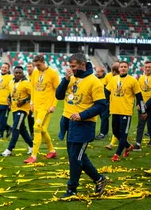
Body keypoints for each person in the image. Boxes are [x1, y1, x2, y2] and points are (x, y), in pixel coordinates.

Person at [55, 53, 108, 198]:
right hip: (69, 123)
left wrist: (82, 115)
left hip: (84, 125)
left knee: (76, 159)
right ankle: (99, 179)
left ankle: (72, 189)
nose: (70, 69)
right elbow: (59, 96)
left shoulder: (94, 82)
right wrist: (65, 80)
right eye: (69, 66)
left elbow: (101, 106)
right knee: (76, 156)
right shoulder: (71, 78)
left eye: (73, 66)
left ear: (83, 64)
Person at [105, 61, 147, 162]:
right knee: (115, 132)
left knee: (123, 134)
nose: (123, 68)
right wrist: (105, 104)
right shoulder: (114, 79)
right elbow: (106, 92)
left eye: (125, 67)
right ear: (118, 69)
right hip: (114, 110)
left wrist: (143, 110)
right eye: (121, 67)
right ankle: (128, 146)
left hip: (126, 112)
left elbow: (139, 97)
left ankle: (117, 154)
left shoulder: (133, 81)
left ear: (128, 68)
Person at [23, 55, 59, 163]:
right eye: (35, 65)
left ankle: (33, 156)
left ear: (43, 62)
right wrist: (32, 102)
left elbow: (58, 90)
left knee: (37, 128)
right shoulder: (35, 72)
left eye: (38, 65)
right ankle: (52, 151)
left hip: (46, 107)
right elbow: (33, 88)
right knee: (42, 129)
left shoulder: (53, 73)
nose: (37, 67)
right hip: (37, 106)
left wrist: (54, 105)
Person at [1, 66, 33, 157]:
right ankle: (31, 146)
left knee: (15, 128)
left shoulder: (26, 83)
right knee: (22, 128)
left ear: (23, 73)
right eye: (16, 73)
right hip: (14, 108)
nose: (18, 74)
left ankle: (9, 149)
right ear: (13, 73)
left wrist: (24, 101)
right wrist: (8, 99)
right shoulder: (11, 82)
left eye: (20, 73)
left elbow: (33, 95)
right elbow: (10, 94)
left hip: (22, 109)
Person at [101, 62, 119, 143]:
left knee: (117, 119)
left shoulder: (122, 78)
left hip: (118, 101)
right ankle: (103, 133)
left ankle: (118, 135)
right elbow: (105, 88)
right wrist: (106, 99)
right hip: (109, 100)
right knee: (104, 116)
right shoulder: (108, 76)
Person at [25, 62, 35, 137]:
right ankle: (32, 133)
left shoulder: (36, 76)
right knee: (30, 118)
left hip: (36, 101)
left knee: (35, 118)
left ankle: (37, 133)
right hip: (28, 102)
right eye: (27, 67)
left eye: (30, 66)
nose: (28, 68)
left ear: (33, 67)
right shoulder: (26, 77)